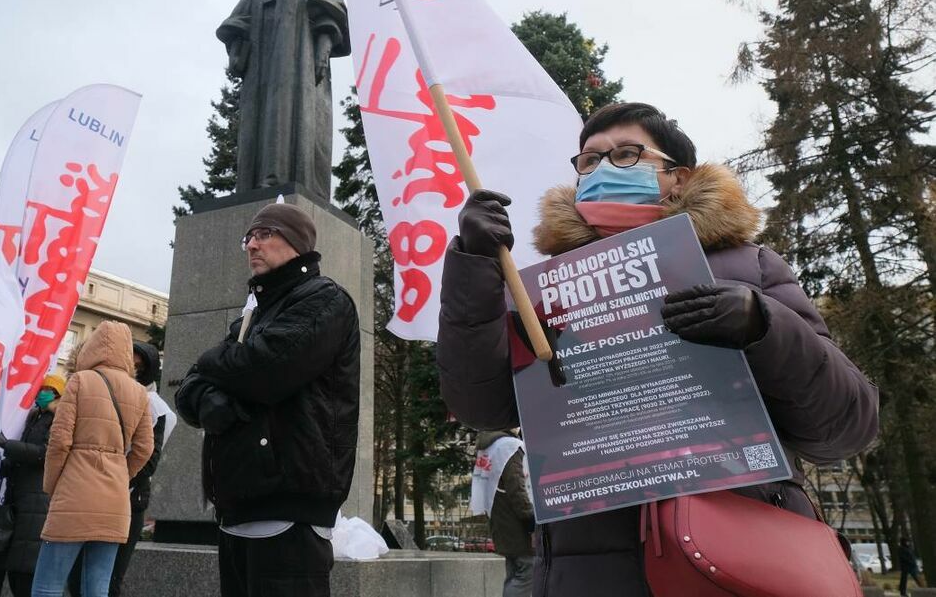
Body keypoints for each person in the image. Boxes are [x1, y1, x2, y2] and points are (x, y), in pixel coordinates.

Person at [437, 102, 880, 596]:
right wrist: (474, 266)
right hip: (586, 572)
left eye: (626, 154)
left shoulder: (749, 266)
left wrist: (764, 325)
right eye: (588, 161)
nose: (603, 170)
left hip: (737, 562)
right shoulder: (544, 292)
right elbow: (478, 403)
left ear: (678, 177)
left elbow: (846, 426)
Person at [175, 202, 360, 597]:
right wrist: (209, 396)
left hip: (289, 512)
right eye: (249, 237)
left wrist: (209, 363)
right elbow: (188, 389)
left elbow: (265, 370)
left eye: (265, 234)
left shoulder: (325, 300)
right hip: (237, 508)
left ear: (296, 243)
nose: (252, 246)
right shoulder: (253, 314)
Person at [217, 0, 350, 198]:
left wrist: (322, 53)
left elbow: (330, 15)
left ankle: (282, 179)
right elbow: (239, 19)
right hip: (261, 63)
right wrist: (236, 49)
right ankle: (252, 184)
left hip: (298, 57)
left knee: (289, 112)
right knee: (258, 115)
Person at [32, 321, 154, 597]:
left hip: (73, 493)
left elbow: (59, 441)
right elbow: (145, 448)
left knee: (47, 586)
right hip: (115, 499)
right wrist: (122, 474)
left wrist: (53, 485)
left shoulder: (79, 381)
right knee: (97, 588)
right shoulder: (139, 392)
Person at [69, 341, 177, 597]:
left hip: (127, 501)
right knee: (76, 579)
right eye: (131, 364)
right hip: (87, 497)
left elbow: (147, 462)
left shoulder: (156, 408)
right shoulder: (101, 394)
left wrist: (110, 480)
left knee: (107, 581)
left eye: (140, 367)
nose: (134, 371)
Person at [0, 374, 68, 597]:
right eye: (41, 389)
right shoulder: (33, 419)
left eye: (49, 390)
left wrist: (7, 444)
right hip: (16, 503)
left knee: (23, 578)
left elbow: (43, 454)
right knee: (3, 574)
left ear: (59, 395)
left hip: (36, 504)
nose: (42, 393)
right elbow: (17, 462)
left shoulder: (60, 420)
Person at [471, 430, 534, 597]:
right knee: (527, 570)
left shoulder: (489, 445)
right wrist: (530, 518)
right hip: (515, 522)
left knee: (514, 571)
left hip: (499, 518)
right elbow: (516, 488)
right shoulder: (509, 446)